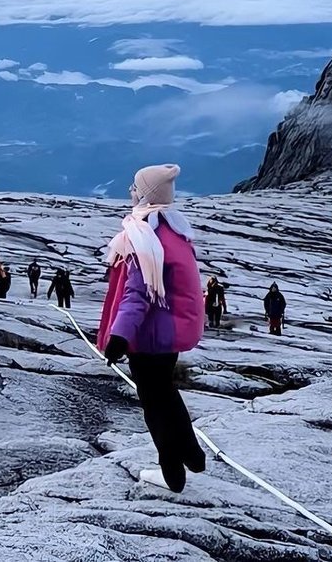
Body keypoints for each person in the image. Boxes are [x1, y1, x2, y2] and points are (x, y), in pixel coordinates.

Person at [98, 163, 204, 493]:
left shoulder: (145, 238)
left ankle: (171, 474)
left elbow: (136, 295)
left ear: (145, 195)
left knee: (154, 405)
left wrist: (118, 337)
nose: (130, 192)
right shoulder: (175, 232)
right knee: (167, 393)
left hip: (150, 338)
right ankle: (193, 454)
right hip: (171, 334)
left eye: (134, 187)